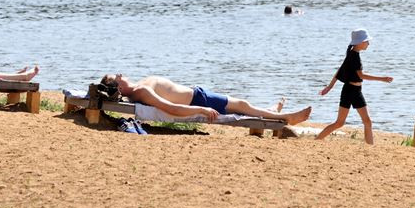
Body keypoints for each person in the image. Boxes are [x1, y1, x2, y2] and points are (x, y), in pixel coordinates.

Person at [99, 73, 312, 125]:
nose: (120, 74)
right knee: (243, 105)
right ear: (119, 87)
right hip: (198, 99)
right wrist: (200, 109)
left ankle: (271, 112)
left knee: (242, 107)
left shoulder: (138, 88)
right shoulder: (141, 92)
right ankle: (286, 117)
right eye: (117, 76)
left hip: (198, 95)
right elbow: (170, 107)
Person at [316, 29, 393, 145]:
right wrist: (382, 79)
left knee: (365, 122)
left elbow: (340, 70)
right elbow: (361, 75)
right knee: (343, 122)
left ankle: (370, 147)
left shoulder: (351, 53)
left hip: (354, 91)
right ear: (360, 42)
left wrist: (329, 87)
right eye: (367, 41)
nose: (368, 44)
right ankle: (316, 141)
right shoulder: (354, 56)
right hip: (350, 91)